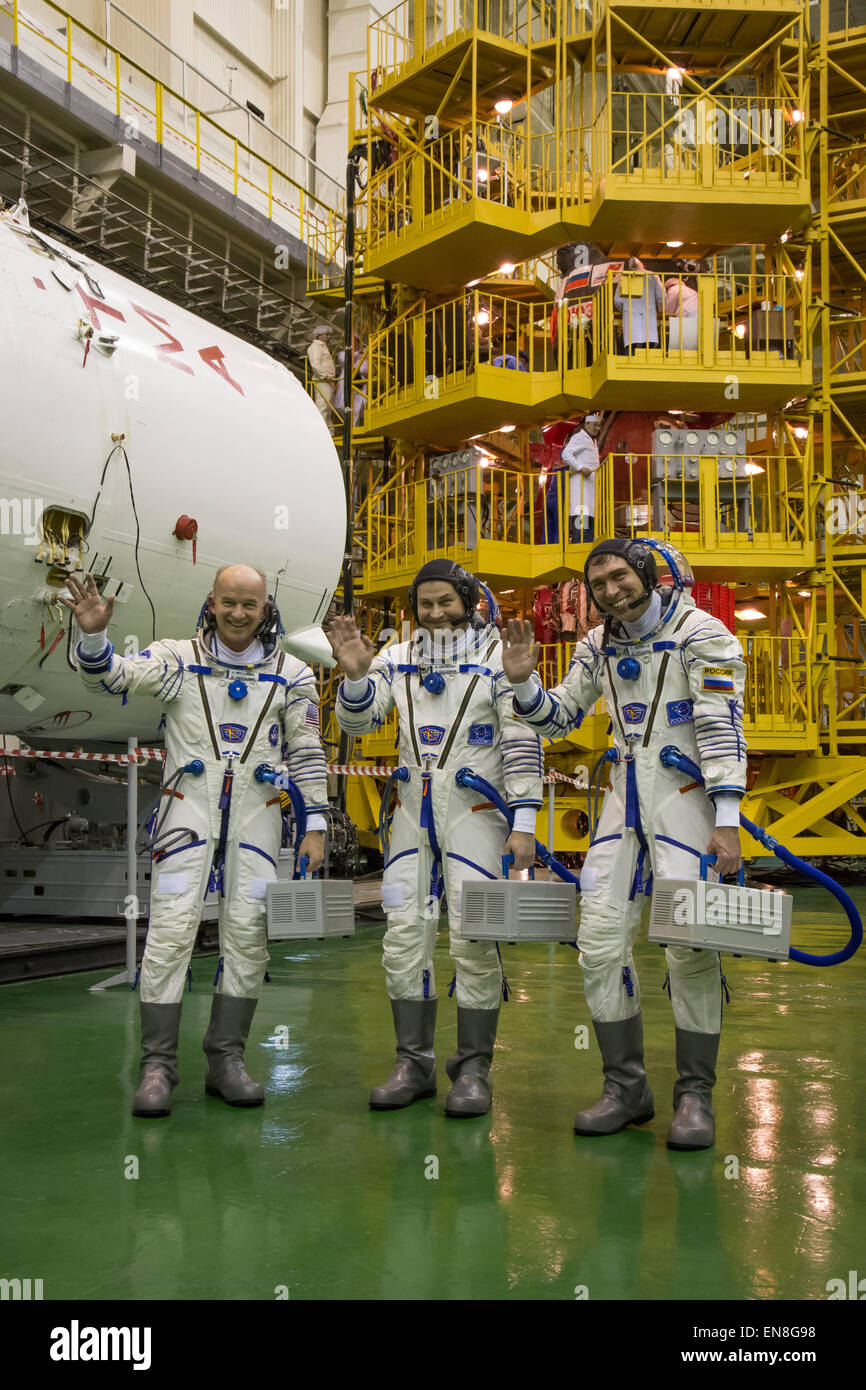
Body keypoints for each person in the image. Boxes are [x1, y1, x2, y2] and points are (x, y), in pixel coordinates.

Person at [501, 539, 747, 1150]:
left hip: (685, 799)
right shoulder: (598, 644)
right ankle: (626, 1088)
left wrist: (728, 816)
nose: (611, 592)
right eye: (599, 584)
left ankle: (694, 1097)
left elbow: (720, 725)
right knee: (600, 939)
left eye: (619, 578)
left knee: (689, 943)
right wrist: (526, 685)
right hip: (623, 799)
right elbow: (560, 718)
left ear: (646, 575)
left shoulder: (702, 634)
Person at [59, 566, 328, 1118]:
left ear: (265, 606)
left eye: (249, 605)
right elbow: (112, 678)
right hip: (187, 817)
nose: (238, 614)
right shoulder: (176, 659)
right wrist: (92, 636)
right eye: (229, 602)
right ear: (212, 601)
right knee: (171, 933)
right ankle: (158, 1067)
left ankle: (226, 1060)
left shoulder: (292, 675)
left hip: (257, 820)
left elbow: (305, 751)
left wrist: (317, 826)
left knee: (249, 938)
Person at [328, 560, 543, 1118]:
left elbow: (522, 742)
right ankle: (413, 1064)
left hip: (476, 812)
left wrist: (524, 823)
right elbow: (358, 724)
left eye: (446, 601)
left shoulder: (500, 659)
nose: (435, 612)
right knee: (403, 933)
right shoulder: (395, 659)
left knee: (474, 936)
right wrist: (354, 677)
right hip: (410, 816)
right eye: (425, 604)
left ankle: (473, 1070)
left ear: (469, 601)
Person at [560, 413, 603, 543]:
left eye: (599, 426)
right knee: (581, 528)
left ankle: (584, 554)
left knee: (588, 528)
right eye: (594, 425)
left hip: (589, 492)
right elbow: (566, 454)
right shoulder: (579, 437)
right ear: (587, 424)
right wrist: (580, 467)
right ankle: (576, 552)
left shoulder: (593, 441)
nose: (597, 428)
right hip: (580, 493)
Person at [614, 258, 664, 353]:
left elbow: (617, 301)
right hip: (650, 332)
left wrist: (625, 310)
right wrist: (660, 309)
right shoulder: (653, 276)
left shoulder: (624, 277)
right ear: (643, 266)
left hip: (631, 333)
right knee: (650, 359)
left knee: (632, 358)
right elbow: (661, 297)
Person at [307, 325, 337, 424]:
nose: (328, 337)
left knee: (328, 408)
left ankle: (329, 432)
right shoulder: (315, 347)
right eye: (326, 334)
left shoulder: (322, 346)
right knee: (322, 406)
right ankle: (321, 430)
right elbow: (315, 364)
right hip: (322, 381)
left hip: (327, 381)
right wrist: (325, 376)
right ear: (319, 335)